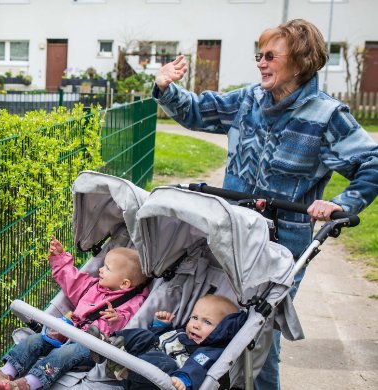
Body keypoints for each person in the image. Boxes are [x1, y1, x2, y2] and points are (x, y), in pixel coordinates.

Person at [152, 18, 378, 389]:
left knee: (257, 333)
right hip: (233, 235)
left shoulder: (327, 116)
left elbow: (371, 161)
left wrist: (343, 202)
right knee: (218, 318)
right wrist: (166, 87)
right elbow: (198, 111)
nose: (260, 63)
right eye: (259, 55)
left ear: (301, 61)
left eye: (270, 55)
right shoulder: (248, 100)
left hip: (281, 248)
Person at [0, 236, 150, 390]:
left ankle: (28, 383)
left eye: (107, 269)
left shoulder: (132, 302)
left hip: (92, 348)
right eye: (102, 266)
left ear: (125, 283)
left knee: (61, 355)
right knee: (33, 340)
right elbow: (71, 279)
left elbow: (130, 325)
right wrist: (59, 258)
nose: (101, 270)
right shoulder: (91, 285)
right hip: (66, 333)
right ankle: (5, 373)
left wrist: (116, 319)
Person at [97, 294, 245, 390]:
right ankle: (108, 344)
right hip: (138, 358)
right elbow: (158, 340)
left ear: (222, 331)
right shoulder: (183, 332)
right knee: (145, 335)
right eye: (194, 317)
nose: (196, 324)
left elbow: (197, 369)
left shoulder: (208, 351)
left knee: (165, 362)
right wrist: (160, 326)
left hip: (149, 381)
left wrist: (183, 380)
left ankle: (122, 368)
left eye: (207, 322)